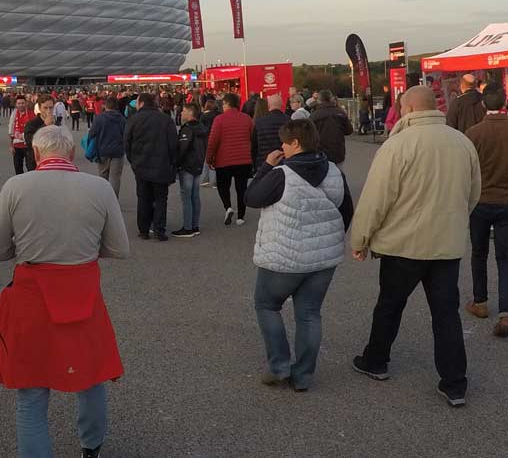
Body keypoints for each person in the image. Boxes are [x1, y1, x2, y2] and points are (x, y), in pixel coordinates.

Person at [0, 124, 129, 458]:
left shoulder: (15, 186)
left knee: (31, 391)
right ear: (72, 152)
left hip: (31, 294)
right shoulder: (99, 188)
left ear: (36, 154)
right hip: (82, 291)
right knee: (90, 374)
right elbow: (119, 248)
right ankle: (91, 446)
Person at [349, 86, 481, 407]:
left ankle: (376, 360)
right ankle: (454, 383)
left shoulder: (398, 145)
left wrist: (360, 239)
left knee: (390, 305)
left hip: (402, 246)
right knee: (446, 314)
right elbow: (473, 193)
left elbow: (376, 199)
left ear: (407, 109)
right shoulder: (462, 142)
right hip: (445, 246)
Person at [246, 119, 353, 391]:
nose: (281, 146)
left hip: (283, 257)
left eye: (284, 141)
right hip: (322, 260)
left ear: (295, 143)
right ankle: (303, 374)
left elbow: (252, 198)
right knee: (309, 313)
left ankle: (279, 366)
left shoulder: (281, 173)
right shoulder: (333, 172)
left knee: (267, 305)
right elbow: (346, 211)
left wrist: (267, 165)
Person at [462, 84, 508, 337]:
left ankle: (480, 301)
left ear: (483, 104)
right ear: (505, 103)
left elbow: (465, 174)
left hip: (479, 203)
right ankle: (506, 312)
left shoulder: (473, 133)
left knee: (479, 253)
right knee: (505, 258)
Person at [123, 92, 178, 241]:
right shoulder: (166, 120)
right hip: (162, 165)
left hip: (141, 165)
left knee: (143, 198)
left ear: (140, 103)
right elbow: (173, 145)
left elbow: (127, 143)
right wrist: (173, 164)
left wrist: (133, 162)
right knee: (161, 198)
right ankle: (159, 229)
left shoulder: (133, 120)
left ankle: (144, 230)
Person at [206, 92, 255, 227]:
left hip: (224, 160)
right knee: (241, 187)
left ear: (227, 104)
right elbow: (253, 137)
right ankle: (241, 216)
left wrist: (209, 159)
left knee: (223, 186)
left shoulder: (219, 119)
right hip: (244, 159)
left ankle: (228, 207)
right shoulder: (247, 119)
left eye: (223, 104)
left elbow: (213, 141)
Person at [172, 102, 207, 238]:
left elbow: (182, 149)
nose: (181, 114)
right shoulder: (202, 128)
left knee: (186, 197)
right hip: (198, 165)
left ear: (190, 113)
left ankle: (187, 227)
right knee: (195, 195)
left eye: (184, 111)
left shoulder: (187, 129)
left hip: (187, 166)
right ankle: (194, 225)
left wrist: (176, 163)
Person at [89, 96, 127, 197]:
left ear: (106, 106)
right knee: (115, 178)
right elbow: (126, 135)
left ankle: (103, 200)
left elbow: (92, 134)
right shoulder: (122, 119)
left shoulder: (100, 118)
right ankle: (114, 201)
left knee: (103, 176)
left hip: (102, 151)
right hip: (118, 152)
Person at [309, 90, 353, 166]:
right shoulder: (340, 112)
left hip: (320, 153)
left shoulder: (314, 115)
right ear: (331, 99)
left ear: (319, 100)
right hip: (338, 151)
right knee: (338, 174)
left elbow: (309, 135)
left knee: (323, 175)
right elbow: (349, 130)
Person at [252, 93, 290, 166]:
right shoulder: (288, 120)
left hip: (264, 161)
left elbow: (254, 145)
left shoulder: (259, 122)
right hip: (284, 161)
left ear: (268, 105)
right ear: (282, 104)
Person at [24, 96, 55, 172]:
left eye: (51, 108)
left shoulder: (56, 123)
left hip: (52, 162)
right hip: (35, 163)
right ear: (40, 108)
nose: (48, 111)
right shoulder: (31, 123)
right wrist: (45, 126)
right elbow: (29, 141)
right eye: (45, 108)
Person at [7, 97, 37, 175]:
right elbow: (11, 130)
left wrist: (23, 136)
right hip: (16, 145)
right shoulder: (14, 115)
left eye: (22, 103)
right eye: (19, 103)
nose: (21, 105)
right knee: (17, 167)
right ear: (16, 105)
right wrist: (11, 145)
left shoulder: (31, 114)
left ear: (26, 103)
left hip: (28, 146)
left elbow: (35, 129)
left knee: (30, 167)